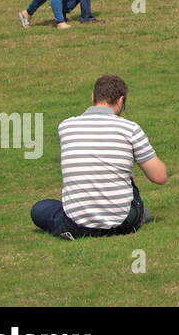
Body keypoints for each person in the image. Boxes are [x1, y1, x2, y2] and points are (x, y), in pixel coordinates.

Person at [30, 75, 167, 239]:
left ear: (93, 97)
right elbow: (159, 177)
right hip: (123, 224)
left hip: (76, 226)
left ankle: (75, 223)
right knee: (127, 180)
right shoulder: (130, 129)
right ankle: (135, 213)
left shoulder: (65, 126)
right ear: (121, 100)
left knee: (40, 208)